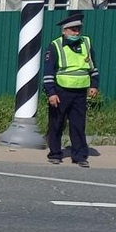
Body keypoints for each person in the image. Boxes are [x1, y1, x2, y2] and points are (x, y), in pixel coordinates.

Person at [42, 11, 98, 167]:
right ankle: (55, 154)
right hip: (61, 91)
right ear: (64, 31)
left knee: (78, 125)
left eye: (78, 29)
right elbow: (48, 72)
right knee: (56, 124)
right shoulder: (55, 46)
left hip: (80, 92)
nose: (76, 32)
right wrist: (51, 93)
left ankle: (80, 156)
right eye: (73, 29)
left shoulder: (86, 43)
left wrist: (94, 85)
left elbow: (93, 66)